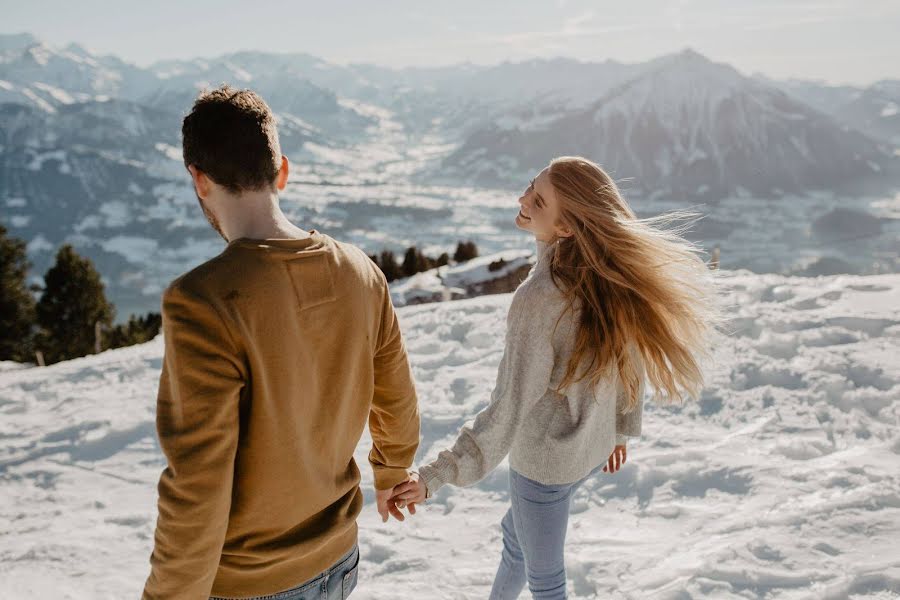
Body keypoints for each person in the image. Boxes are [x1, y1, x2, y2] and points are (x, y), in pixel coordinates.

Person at [391, 156, 723, 599]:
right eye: (531, 186)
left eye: (538, 200)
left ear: (566, 228)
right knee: (517, 545)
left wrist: (436, 474)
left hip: (544, 467)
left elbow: (509, 406)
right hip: (586, 451)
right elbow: (629, 360)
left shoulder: (540, 298)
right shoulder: (604, 277)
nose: (522, 199)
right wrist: (618, 430)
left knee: (547, 585)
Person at [141, 85, 420, 600]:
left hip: (254, 582)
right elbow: (396, 397)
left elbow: (198, 485)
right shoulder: (361, 272)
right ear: (282, 172)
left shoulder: (203, 301)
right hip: (339, 557)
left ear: (200, 181)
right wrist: (393, 469)